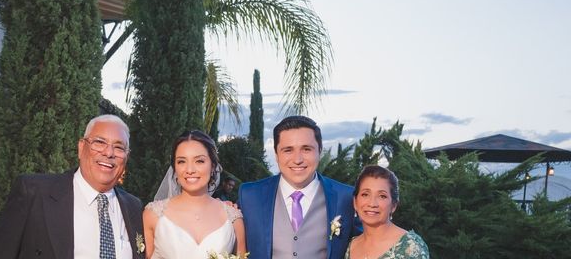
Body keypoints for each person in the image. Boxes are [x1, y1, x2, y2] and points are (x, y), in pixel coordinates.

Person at [0, 114, 144, 259]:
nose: (109, 153)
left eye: (119, 147)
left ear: (126, 157)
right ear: (81, 148)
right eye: (100, 142)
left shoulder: (134, 208)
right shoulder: (34, 193)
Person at [238, 115, 358, 259]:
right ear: (276, 154)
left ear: (319, 151)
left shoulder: (346, 197)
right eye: (288, 150)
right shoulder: (249, 195)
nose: (297, 160)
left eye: (306, 149)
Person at [143, 130, 246, 259]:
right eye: (181, 161)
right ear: (174, 167)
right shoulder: (152, 215)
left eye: (199, 161)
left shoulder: (233, 218)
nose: (190, 170)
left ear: (213, 166)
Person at [345, 165, 429, 259]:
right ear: (355, 202)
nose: (372, 203)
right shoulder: (350, 246)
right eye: (365, 194)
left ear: (393, 205)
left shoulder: (411, 247)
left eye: (382, 196)